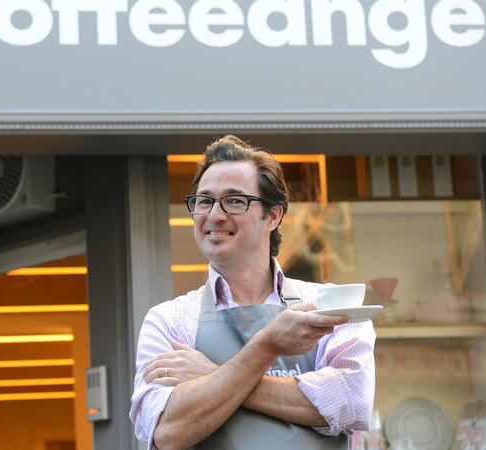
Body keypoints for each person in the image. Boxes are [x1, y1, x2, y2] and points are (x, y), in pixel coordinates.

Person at [129, 135, 375, 450]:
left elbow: (350, 403)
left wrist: (214, 375)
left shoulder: (330, 304)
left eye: (234, 200)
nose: (214, 215)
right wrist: (267, 345)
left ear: (272, 215)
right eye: (204, 201)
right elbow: (166, 430)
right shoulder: (169, 320)